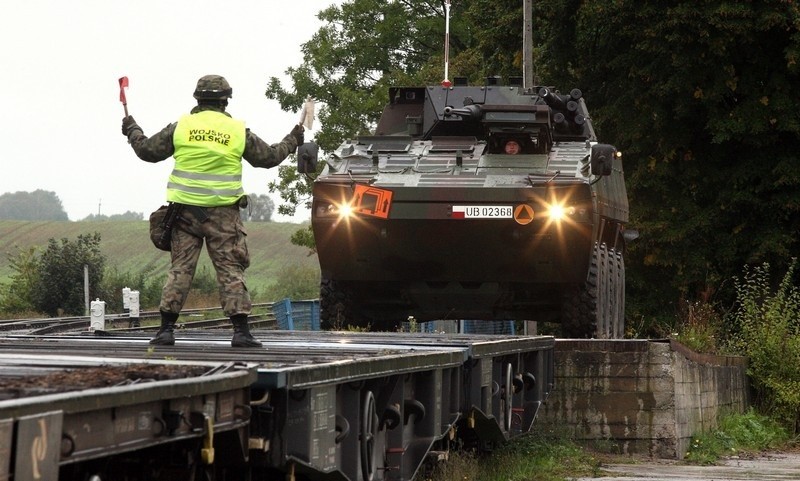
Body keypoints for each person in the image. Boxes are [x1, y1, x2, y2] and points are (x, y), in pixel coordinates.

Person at [121, 74, 304, 348]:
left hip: (184, 213)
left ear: (197, 99)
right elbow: (269, 158)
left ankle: (166, 331)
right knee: (230, 268)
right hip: (223, 216)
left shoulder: (181, 127)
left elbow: (147, 151)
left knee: (180, 269)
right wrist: (293, 138)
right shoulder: (237, 131)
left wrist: (132, 129)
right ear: (225, 100)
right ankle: (241, 333)